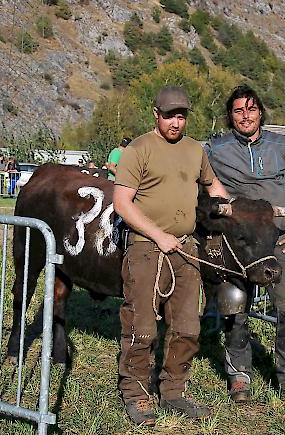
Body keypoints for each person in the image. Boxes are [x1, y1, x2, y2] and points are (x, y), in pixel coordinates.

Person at [113, 87, 229, 425]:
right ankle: (135, 394)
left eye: (181, 116)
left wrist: (232, 206)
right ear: (156, 114)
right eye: (169, 115)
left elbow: (214, 187)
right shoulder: (139, 149)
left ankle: (174, 392)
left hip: (186, 248)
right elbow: (122, 203)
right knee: (141, 326)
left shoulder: (196, 151)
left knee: (188, 326)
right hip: (146, 248)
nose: (175, 122)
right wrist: (158, 235)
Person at [205, 85, 285, 406]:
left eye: (251, 109)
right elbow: (194, 179)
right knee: (234, 308)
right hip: (236, 243)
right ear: (230, 115)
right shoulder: (215, 148)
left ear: (260, 112)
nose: (245, 115)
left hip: (278, 241)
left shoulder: (282, 145)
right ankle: (239, 375)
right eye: (239, 110)